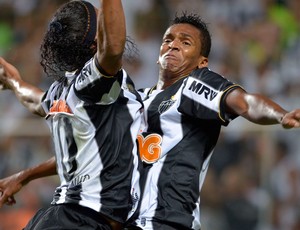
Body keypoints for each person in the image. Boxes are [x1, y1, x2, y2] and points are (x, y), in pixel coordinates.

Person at [1, 9, 300, 230]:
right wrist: (25, 176)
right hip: (128, 223)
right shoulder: (134, 100)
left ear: (201, 62)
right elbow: (96, 155)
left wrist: (280, 114)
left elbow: (244, 102)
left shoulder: (193, 87)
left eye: (185, 42)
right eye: (168, 39)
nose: (173, 45)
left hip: (166, 221)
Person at [0, 0, 143, 229]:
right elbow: (114, 48)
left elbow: (31, 97)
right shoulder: (93, 85)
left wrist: (13, 82)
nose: (109, 19)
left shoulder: (60, 92)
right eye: (102, 19)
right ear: (95, 45)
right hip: (78, 220)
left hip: (62, 218)